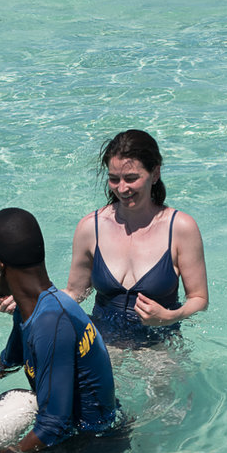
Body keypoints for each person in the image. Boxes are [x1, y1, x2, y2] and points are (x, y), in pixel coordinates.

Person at [0, 207, 121, 453]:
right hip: (74, 435)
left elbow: (53, 428)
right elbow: (7, 363)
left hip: (93, 445)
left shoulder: (51, 322)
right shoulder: (31, 309)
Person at [49, 129, 210, 350]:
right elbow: (76, 293)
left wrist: (169, 316)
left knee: (163, 379)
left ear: (155, 174)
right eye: (114, 179)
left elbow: (199, 299)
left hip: (159, 339)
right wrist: (32, 302)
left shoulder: (181, 228)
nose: (122, 188)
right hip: (103, 338)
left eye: (131, 178)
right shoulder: (90, 227)